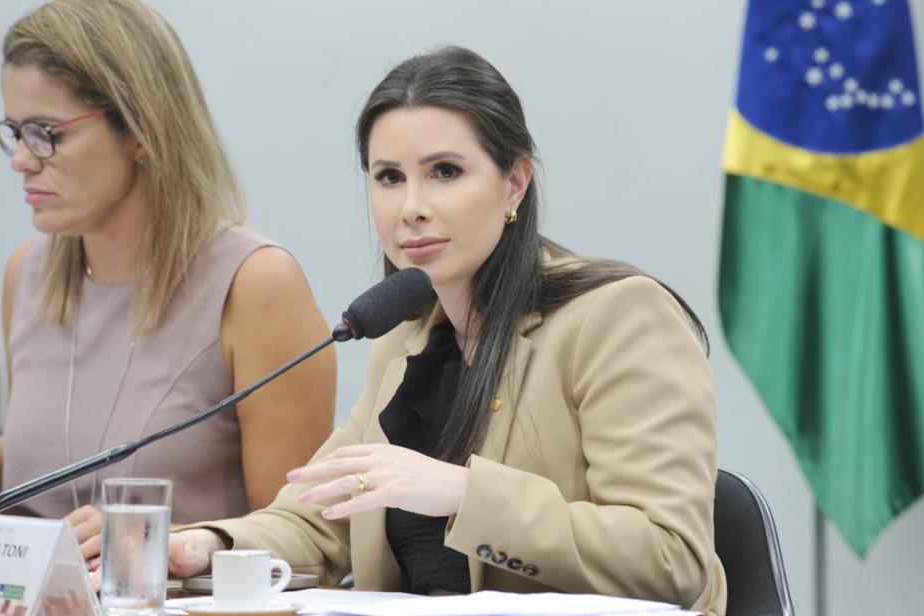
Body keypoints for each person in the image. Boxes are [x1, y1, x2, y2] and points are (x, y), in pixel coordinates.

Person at [170, 46, 726, 615]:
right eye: (389, 177)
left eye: (445, 172)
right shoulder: (404, 339)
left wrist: (462, 494)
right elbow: (320, 518)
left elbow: (670, 559)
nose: (411, 207)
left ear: (514, 183)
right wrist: (206, 545)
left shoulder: (618, 318)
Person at [0, 0, 335, 566]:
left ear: (139, 129)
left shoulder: (256, 283)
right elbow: (53, 462)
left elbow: (306, 545)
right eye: (14, 132)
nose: (20, 161)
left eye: (44, 133)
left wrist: (155, 538)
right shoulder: (27, 275)